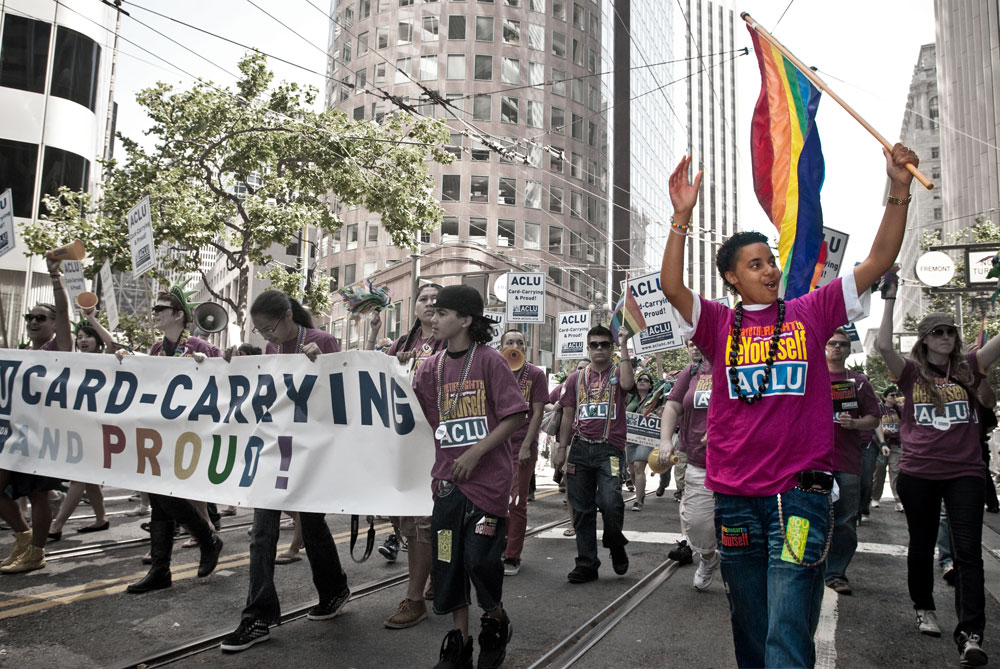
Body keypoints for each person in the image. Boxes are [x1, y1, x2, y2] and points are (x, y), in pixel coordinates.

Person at [659, 145, 917, 668]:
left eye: (771, 261)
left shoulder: (812, 310)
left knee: (787, 619)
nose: (771, 270)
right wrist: (681, 218)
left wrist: (898, 190)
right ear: (732, 277)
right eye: (755, 264)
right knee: (750, 619)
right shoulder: (716, 324)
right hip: (734, 497)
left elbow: (879, 260)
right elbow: (671, 286)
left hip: (799, 494)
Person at [220, 289, 351, 653]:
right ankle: (257, 615)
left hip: (310, 453)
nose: (267, 337)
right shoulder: (270, 351)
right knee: (262, 531)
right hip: (275, 451)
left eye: (269, 329)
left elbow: (342, 391)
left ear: (288, 316)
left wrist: (321, 362)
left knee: (311, 524)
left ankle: (334, 588)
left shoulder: (323, 341)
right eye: (260, 332)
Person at [411, 284, 526, 669]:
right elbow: (431, 421)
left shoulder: (490, 361)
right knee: (448, 560)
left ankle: (495, 621)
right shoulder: (430, 368)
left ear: (465, 319)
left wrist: (476, 453)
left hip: (488, 484)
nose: (434, 316)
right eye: (432, 311)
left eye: (442, 312)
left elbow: (514, 415)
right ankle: (459, 640)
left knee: (479, 560)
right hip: (447, 486)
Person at [877, 299, 997, 667]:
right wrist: (889, 295)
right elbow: (883, 345)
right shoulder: (911, 372)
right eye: (937, 332)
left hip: (965, 472)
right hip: (919, 472)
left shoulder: (970, 367)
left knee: (968, 552)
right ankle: (924, 607)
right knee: (923, 542)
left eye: (950, 331)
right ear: (924, 340)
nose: (946, 337)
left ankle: (970, 634)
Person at [117, 285, 224, 592]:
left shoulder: (203, 348)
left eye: (160, 310)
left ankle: (206, 539)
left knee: (166, 495)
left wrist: (210, 367)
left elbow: (226, 381)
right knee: (159, 496)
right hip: (161, 433)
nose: (155, 315)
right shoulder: (154, 350)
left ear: (178, 315)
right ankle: (162, 568)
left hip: (191, 434)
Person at [369, 282, 442, 629]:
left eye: (436, 300)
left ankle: (415, 599)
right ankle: (437, 573)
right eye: (423, 299)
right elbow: (367, 373)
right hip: (404, 444)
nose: (429, 304)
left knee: (425, 524)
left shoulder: (455, 345)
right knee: (404, 520)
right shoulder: (401, 343)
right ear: (414, 307)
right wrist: (373, 337)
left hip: (439, 445)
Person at [0, 256, 73, 573]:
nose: (32, 321)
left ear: (54, 324)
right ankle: (23, 535)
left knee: (38, 494)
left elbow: (66, 316)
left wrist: (56, 279)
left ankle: (36, 552)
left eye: (40, 318)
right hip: (14, 433)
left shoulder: (59, 349)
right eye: (30, 317)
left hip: (43, 434)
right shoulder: (21, 352)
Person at [558, 325, 635, 583]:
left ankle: (615, 544)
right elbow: (568, 414)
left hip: (609, 450)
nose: (599, 348)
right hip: (580, 449)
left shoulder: (617, 373)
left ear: (611, 348)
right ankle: (587, 563)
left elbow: (628, 383)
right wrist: (562, 449)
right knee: (581, 509)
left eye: (605, 344)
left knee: (611, 502)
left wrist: (624, 344)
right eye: (594, 344)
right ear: (588, 347)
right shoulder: (575, 379)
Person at [48, 312, 117, 541]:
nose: (81, 340)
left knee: (79, 476)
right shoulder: (74, 361)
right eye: (79, 336)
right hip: (78, 426)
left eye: (87, 336)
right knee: (90, 478)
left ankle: (56, 526)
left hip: (97, 428)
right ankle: (101, 518)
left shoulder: (106, 359)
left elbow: (112, 343)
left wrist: (91, 318)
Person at [824, 327, 880, 595]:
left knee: (845, 520)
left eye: (842, 344)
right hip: (811, 460)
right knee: (803, 516)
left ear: (849, 350)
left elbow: (874, 417)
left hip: (846, 461)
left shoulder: (858, 382)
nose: (837, 348)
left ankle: (836, 572)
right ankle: (803, 567)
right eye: (832, 343)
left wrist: (855, 422)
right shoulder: (808, 376)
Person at [657, 341, 717, 586]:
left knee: (739, 528)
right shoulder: (693, 371)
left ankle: (740, 579)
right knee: (698, 525)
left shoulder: (743, 363)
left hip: (738, 466)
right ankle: (708, 558)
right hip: (698, 462)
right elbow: (672, 405)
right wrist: (665, 441)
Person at [499, 329, 548, 577]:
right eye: (509, 342)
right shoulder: (494, 369)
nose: (514, 345)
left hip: (522, 447)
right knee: (496, 501)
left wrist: (528, 445)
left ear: (525, 347)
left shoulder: (536, 374)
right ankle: (499, 545)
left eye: (519, 342)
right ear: (501, 346)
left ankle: (512, 555)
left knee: (516, 502)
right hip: (495, 448)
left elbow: (537, 412)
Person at [624, 371, 656, 511]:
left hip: (645, 436)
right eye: (640, 380)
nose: (642, 381)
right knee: (631, 470)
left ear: (650, 386)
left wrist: (657, 414)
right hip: (629, 436)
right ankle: (640, 492)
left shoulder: (656, 399)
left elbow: (664, 412)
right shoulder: (630, 398)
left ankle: (638, 501)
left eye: (646, 380)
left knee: (638, 466)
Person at [871, 386, 903, 511]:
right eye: (891, 395)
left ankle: (898, 500)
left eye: (896, 395)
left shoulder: (899, 410)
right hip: (881, 444)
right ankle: (875, 498)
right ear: (885, 397)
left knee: (896, 471)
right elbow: (875, 422)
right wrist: (882, 431)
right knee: (879, 471)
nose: (894, 398)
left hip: (896, 444)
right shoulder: (879, 409)